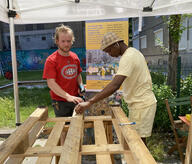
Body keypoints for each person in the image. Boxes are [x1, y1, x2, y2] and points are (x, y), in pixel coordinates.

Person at [75, 32, 157, 144]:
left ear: (116, 45)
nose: (109, 54)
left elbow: (115, 85)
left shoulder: (128, 57)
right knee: (137, 141)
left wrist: (90, 102)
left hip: (142, 104)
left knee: (139, 145)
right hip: (140, 103)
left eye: (109, 50)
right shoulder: (133, 52)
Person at [43, 24, 84, 144]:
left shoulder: (75, 57)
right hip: (60, 102)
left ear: (72, 41)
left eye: (69, 41)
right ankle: (64, 156)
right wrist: (68, 96)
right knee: (63, 130)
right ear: (57, 41)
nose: (66, 44)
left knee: (77, 128)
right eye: (63, 41)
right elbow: (51, 83)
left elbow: (78, 75)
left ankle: (75, 154)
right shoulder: (51, 60)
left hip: (76, 99)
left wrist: (81, 86)